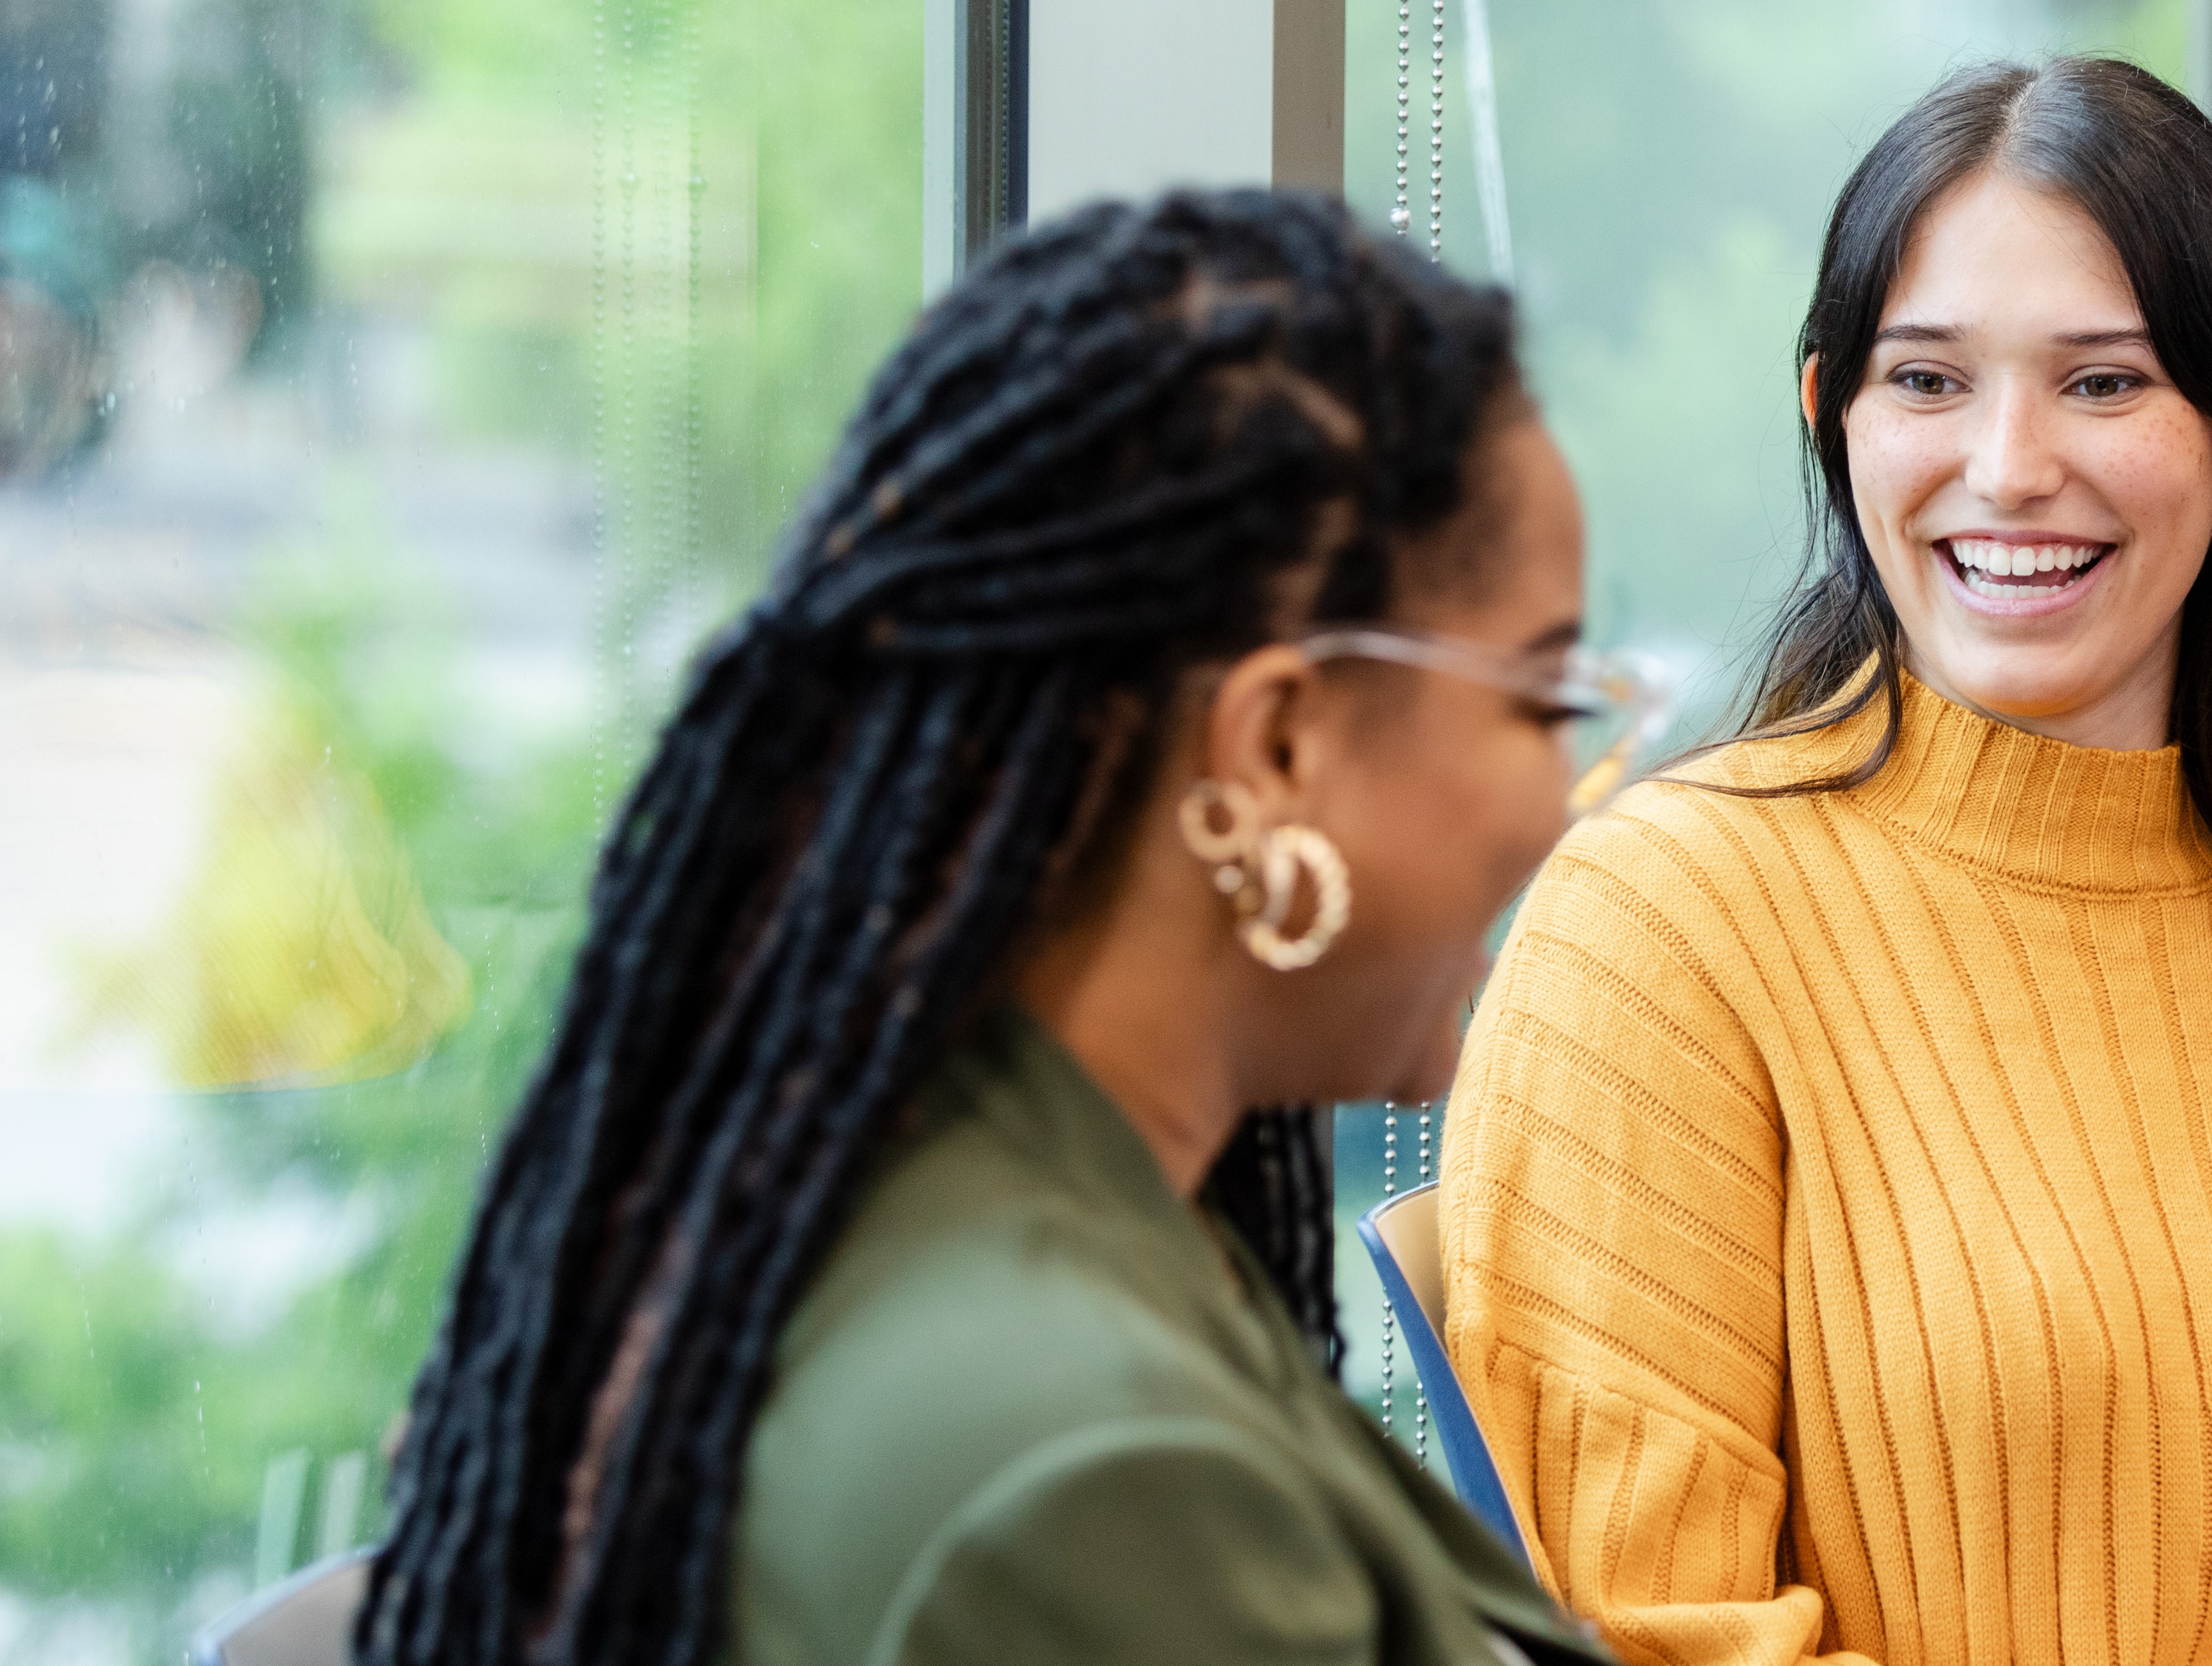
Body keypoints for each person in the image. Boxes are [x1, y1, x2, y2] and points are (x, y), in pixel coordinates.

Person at [1438, 59, 2212, 1666]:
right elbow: (1645, 1629)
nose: (2008, 466)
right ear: (1833, 422)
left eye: (2103, 384)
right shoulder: (1660, 935)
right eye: (1927, 382)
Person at [359, 190, 1618, 1666]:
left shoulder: (1056, 1214)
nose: (1577, 802)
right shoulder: (1096, 1470)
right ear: (1274, 751)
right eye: (1542, 703)